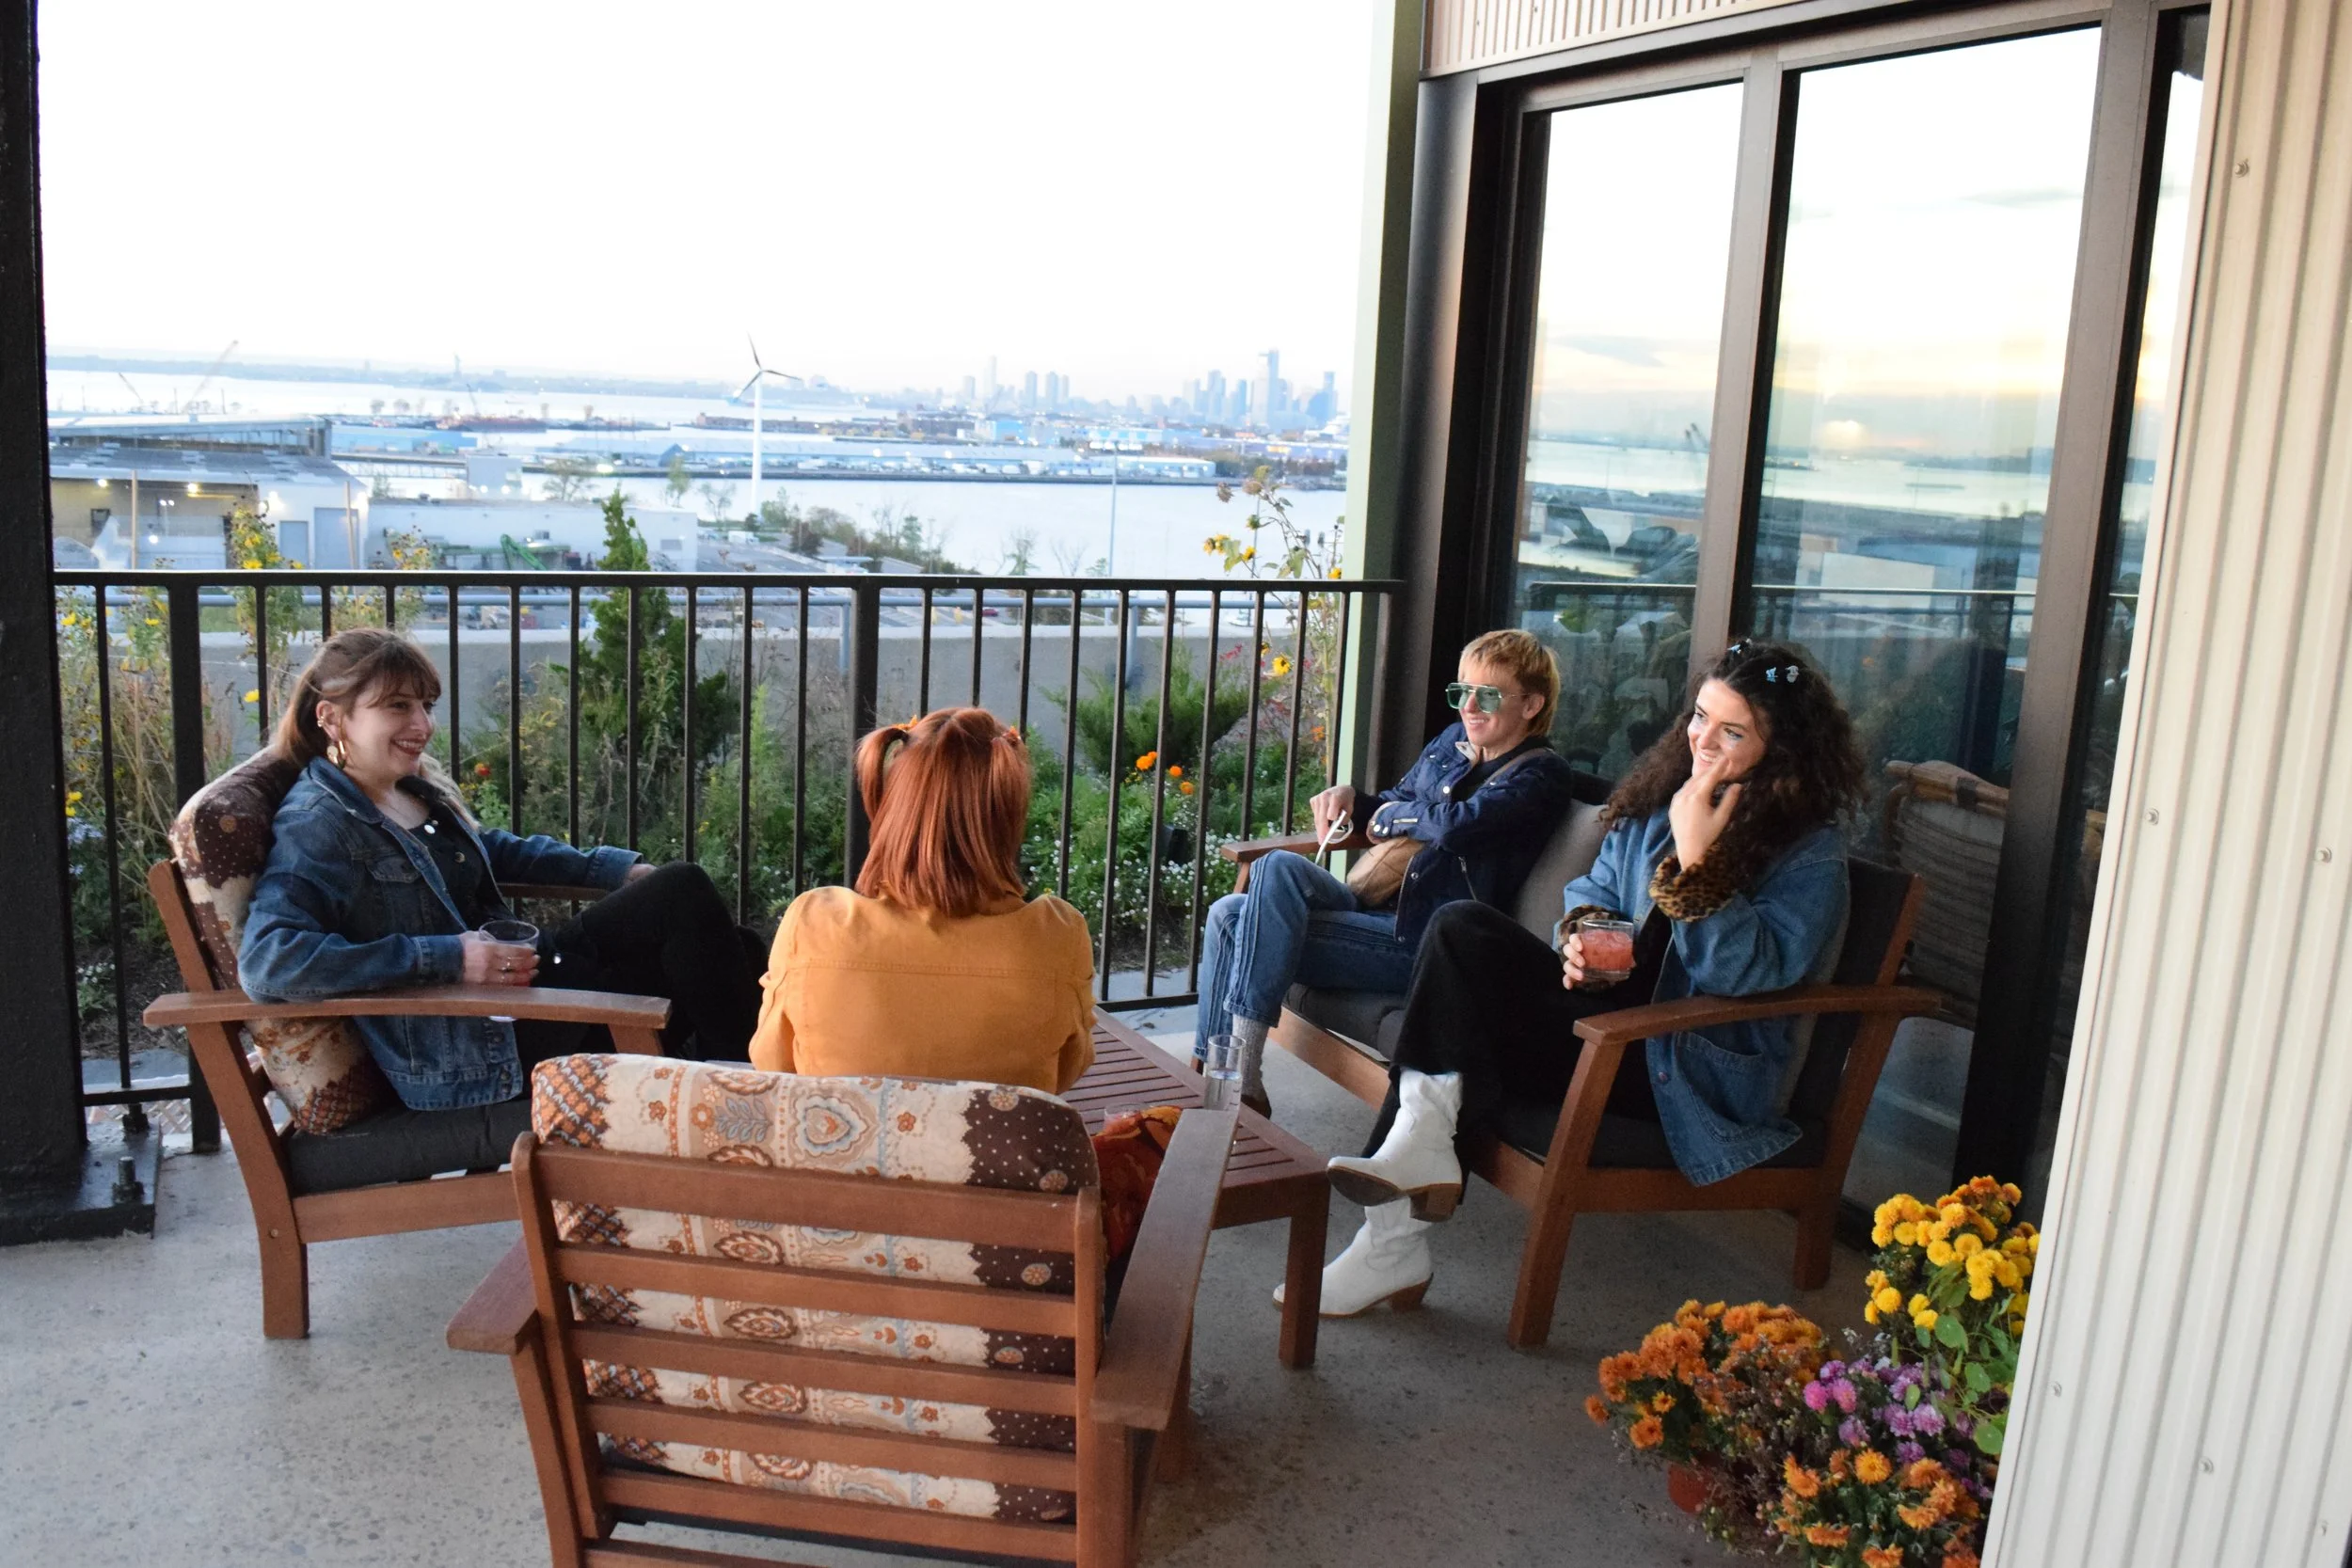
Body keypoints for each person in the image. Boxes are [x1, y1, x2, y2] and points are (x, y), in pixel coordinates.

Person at [1298, 639, 1867, 1317]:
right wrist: (1585, 939)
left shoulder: (1809, 856)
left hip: (1672, 1069)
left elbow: (1740, 974)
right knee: (1460, 927)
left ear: (1786, 748)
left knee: (1457, 1027)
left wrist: (1696, 859)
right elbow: (1592, 888)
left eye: (1733, 731)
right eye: (1699, 717)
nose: (1702, 741)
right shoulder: (1663, 804)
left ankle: (1390, 1244)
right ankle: (1414, 1158)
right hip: (1599, 1022)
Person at [240, 627, 765, 1110]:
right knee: (685, 896)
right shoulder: (320, 824)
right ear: (332, 718)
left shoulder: (398, 787)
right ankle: (748, 1102)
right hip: (482, 1045)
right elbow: (269, 964)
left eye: (426, 705)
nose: (421, 725)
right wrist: (451, 958)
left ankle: (737, 1094)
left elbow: (487, 849)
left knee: (730, 944)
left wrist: (610, 872)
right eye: (397, 706)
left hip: (525, 986)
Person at [1195, 628, 1578, 1115]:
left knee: (1233, 919)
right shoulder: (1453, 741)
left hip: (1422, 942)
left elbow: (1460, 826)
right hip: (1373, 909)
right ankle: (1228, 1080)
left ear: (1530, 705)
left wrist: (1398, 817)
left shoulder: (1540, 775)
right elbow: (1394, 806)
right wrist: (1352, 800)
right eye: (1462, 691)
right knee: (1274, 869)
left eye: (1488, 694)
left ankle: (1227, 1085)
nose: (1469, 706)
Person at [749, 707, 1096, 1092]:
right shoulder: (1057, 937)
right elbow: (1064, 1074)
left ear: (892, 802)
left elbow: (773, 1065)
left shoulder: (813, 924)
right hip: (993, 1153)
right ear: (1007, 815)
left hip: (840, 1149)